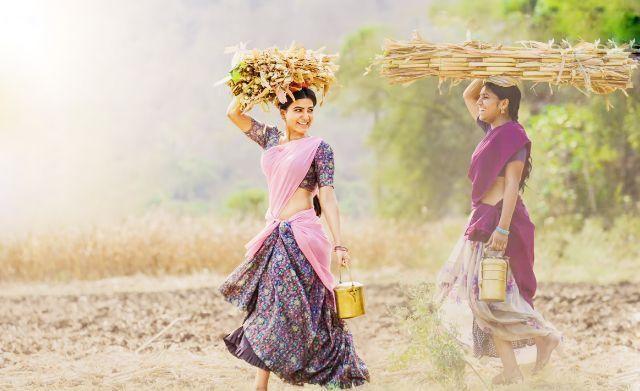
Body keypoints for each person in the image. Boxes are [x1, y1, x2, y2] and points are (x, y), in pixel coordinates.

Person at [220, 87, 369, 390]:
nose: (305, 116)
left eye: (310, 110)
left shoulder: (320, 148)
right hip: (275, 235)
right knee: (269, 305)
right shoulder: (271, 139)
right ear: (283, 113)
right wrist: (253, 84)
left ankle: (321, 377)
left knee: (308, 310)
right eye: (298, 110)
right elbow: (233, 113)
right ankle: (260, 385)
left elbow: (327, 197)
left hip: (304, 237)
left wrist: (339, 242)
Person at [437, 77, 562, 385]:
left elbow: (511, 186)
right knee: (484, 296)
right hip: (482, 219)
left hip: (501, 222)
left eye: (487, 98)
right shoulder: (491, 131)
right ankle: (511, 370)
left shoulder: (513, 135)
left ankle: (545, 336)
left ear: (503, 104)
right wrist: (488, 67)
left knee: (493, 294)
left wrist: (503, 229)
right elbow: (467, 93)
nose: (479, 102)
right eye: (481, 98)